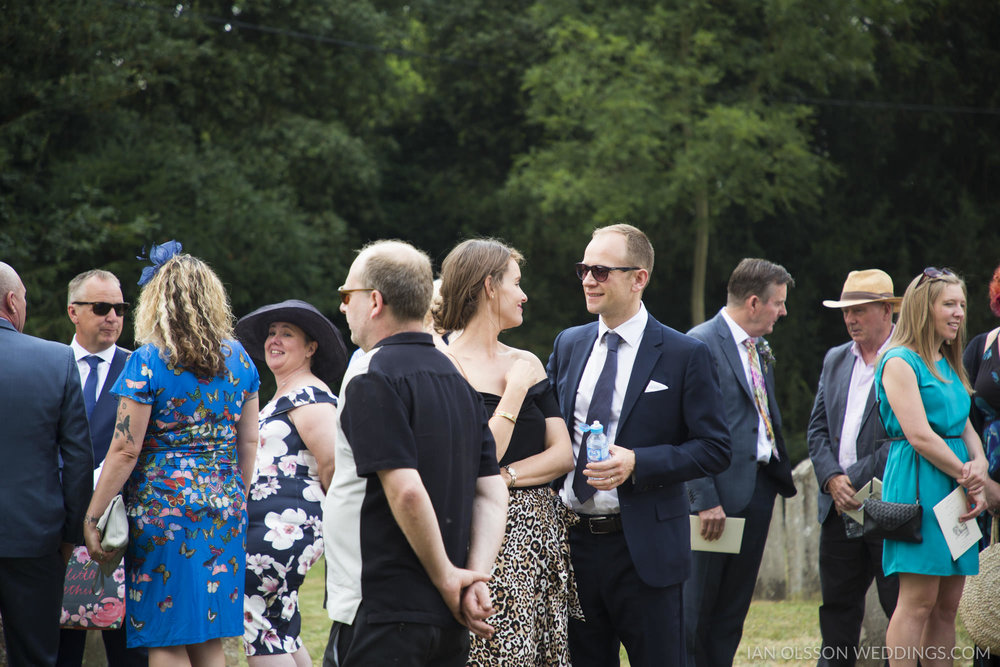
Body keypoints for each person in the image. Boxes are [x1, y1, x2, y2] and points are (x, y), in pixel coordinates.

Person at [546, 223, 731, 667]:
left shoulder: (684, 353)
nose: (589, 279)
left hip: (645, 549)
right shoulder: (569, 344)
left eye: (601, 270)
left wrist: (638, 462)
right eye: (584, 269)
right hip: (573, 545)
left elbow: (715, 447)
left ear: (639, 278)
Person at [322, 240, 509, 667]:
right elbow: (492, 492)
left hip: (382, 608)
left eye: (344, 295)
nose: (342, 308)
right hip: (448, 614)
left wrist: (448, 578)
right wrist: (474, 578)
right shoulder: (458, 380)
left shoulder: (371, 375)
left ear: (374, 301)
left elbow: (405, 490)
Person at [83, 246, 260, 665]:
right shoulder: (240, 359)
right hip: (225, 507)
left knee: (165, 635)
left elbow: (126, 449)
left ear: (157, 300)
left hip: (164, 513)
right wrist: (237, 493)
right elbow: (248, 441)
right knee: (207, 633)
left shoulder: (148, 360)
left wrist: (93, 516)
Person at [433, 239, 578, 666]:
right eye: (517, 283)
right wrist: (514, 392)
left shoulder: (526, 359)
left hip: (541, 543)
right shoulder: (444, 363)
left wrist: (506, 476)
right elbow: (477, 457)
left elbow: (563, 454)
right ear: (489, 287)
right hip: (484, 540)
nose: (524, 294)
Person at [685, 257, 797, 667]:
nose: (783, 312)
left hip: (758, 489)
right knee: (696, 611)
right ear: (753, 302)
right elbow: (683, 430)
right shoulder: (698, 344)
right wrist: (704, 499)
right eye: (778, 303)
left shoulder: (758, 348)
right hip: (715, 503)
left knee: (732, 611)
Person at [876, 267, 987, 667]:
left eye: (962, 304)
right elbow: (920, 435)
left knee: (947, 604)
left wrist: (980, 464)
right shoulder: (899, 361)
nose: (959, 313)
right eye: (949, 305)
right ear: (925, 309)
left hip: (958, 484)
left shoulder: (948, 360)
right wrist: (967, 474)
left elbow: (965, 424)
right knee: (918, 601)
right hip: (920, 483)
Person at [235, 300, 347, 664]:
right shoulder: (285, 396)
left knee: (256, 624)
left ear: (311, 348)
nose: (275, 340)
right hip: (273, 527)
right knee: (277, 628)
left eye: (287, 334)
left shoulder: (311, 398)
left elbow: (334, 467)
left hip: (282, 530)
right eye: (271, 333)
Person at [0, 262, 93, 666]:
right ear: (11, 301)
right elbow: (77, 459)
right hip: (35, 537)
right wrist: (72, 535)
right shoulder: (56, 360)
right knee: (35, 656)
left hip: (32, 537)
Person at [807, 269, 902, 666]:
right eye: (846, 311)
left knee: (897, 604)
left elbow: (906, 438)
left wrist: (852, 478)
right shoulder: (835, 359)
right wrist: (831, 478)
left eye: (859, 311)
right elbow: (816, 429)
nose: (850, 319)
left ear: (886, 310)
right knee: (837, 608)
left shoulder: (905, 359)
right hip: (838, 505)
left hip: (887, 501)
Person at [58, 269, 147, 667]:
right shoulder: (50, 365)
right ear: (73, 312)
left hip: (124, 527)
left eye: (120, 308)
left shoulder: (141, 368)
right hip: (57, 523)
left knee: (130, 652)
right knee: (61, 648)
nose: (112, 316)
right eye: (101, 307)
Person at [961, 263, 1000, 667]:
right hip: (982, 491)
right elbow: (963, 419)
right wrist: (981, 482)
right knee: (988, 603)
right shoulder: (981, 346)